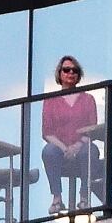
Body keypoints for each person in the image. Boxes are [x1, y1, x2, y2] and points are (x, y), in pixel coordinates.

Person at [42, 56, 100, 214]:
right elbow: (47, 132)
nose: (71, 73)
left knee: (90, 150)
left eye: (75, 70)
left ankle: (84, 197)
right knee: (48, 150)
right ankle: (57, 198)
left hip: (82, 145)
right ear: (59, 74)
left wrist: (77, 146)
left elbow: (92, 128)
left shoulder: (88, 99)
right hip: (59, 148)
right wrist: (65, 148)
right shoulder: (50, 100)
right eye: (66, 70)